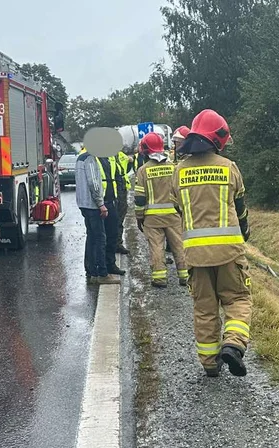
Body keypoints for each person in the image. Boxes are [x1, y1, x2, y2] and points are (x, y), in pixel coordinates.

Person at [172, 109, 251, 377]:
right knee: (237, 298)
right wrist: (245, 232)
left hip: (195, 254)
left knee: (204, 308)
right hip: (229, 253)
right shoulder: (229, 168)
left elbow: (178, 208)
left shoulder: (179, 171)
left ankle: (209, 363)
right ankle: (233, 343)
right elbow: (240, 208)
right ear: (218, 139)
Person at [134, 132, 188, 287]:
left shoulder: (143, 170)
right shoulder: (174, 168)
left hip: (152, 218)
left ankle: (160, 279)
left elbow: (139, 199)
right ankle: (185, 277)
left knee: (157, 247)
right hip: (173, 215)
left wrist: (139, 217)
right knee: (179, 245)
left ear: (145, 150)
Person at [75, 148, 118, 285]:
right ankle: (102, 273)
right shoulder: (91, 159)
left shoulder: (80, 158)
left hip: (83, 204)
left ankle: (91, 271)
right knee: (100, 238)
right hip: (93, 205)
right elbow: (93, 183)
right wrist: (101, 204)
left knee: (91, 238)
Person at [100, 150, 128, 276]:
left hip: (112, 199)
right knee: (99, 237)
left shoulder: (113, 156)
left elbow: (118, 174)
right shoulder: (91, 157)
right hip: (100, 201)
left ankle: (110, 264)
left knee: (112, 232)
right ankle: (99, 267)